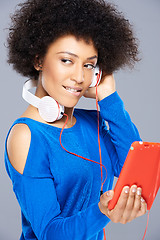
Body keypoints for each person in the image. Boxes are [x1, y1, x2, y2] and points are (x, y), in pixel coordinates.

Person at [4, 0, 147, 239]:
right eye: (67, 60)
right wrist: (104, 211)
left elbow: (135, 173)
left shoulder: (93, 123)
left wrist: (108, 98)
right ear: (39, 60)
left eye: (89, 65)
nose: (80, 77)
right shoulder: (26, 137)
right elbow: (50, 233)